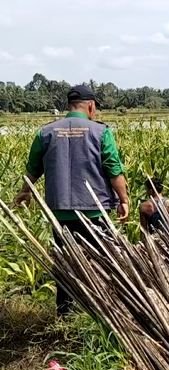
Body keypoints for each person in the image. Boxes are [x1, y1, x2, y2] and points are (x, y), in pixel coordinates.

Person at [13, 84, 129, 316]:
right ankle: (103, 312)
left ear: (68, 106)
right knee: (103, 262)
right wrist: (124, 199)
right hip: (94, 213)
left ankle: (65, 314)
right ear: (91, 106)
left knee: (65, 264)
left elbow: (33, 169)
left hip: (61, 214)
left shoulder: (46, 132)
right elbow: (114, 170)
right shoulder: (100, 131)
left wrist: (25, 192)